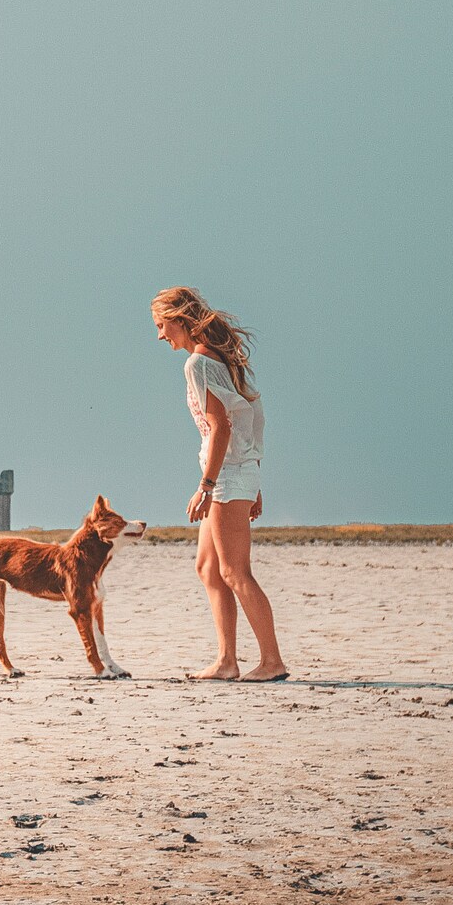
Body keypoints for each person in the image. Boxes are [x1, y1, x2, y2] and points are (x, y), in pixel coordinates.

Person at [151, 286, 288, 682]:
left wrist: (207, 485)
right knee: (209, 567)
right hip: (236, 472)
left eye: (162, 325)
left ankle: (272, 662)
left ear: (180, 319)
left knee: (234, 571)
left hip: (226, 475)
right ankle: (227, 661)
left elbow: (222, 425)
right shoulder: (219, 360)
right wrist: (254, 479)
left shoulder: (199, 363)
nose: (160, 335)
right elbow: (249, 418)